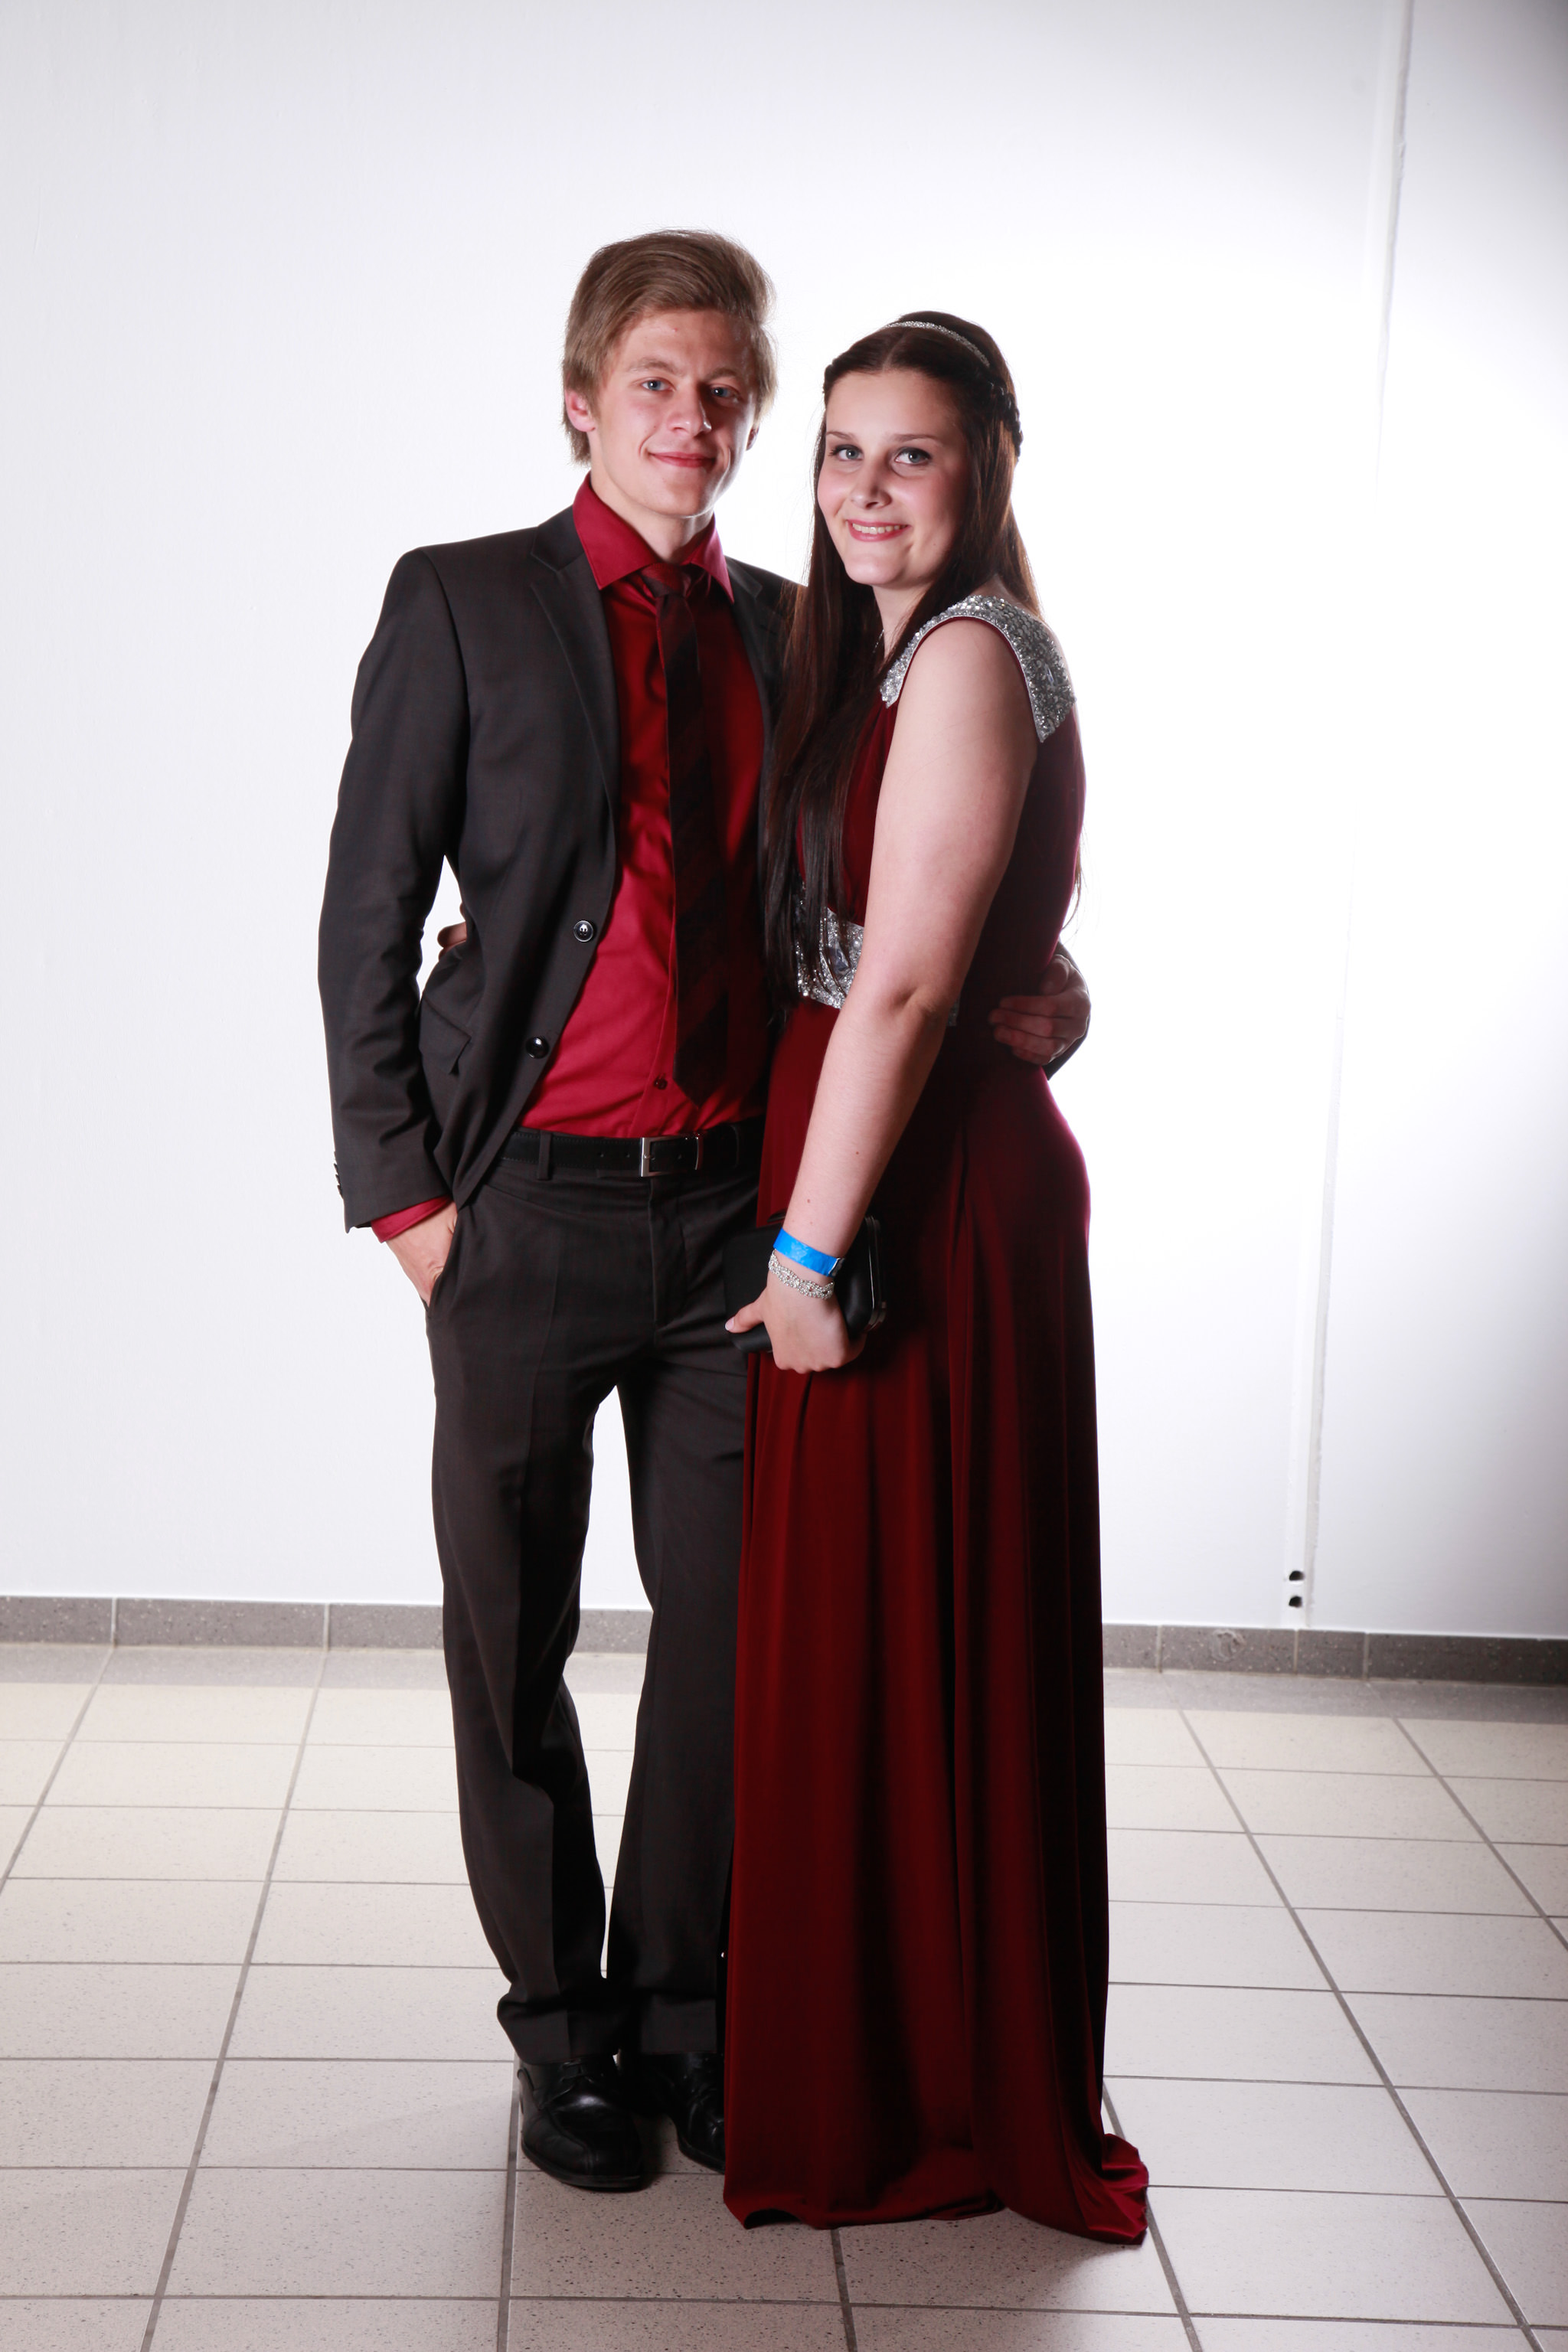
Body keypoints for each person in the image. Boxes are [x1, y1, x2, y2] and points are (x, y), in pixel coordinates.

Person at [318, 234, 1090, 2199]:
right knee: (511, 1642)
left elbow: (887, 898)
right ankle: (559, 2034)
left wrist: (1040, 983)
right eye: (656, 382)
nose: (693, 418)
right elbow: (363, 917)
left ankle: (682, 2015)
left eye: (725, 390)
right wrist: (406, 1200)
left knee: (734, 1635)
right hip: (514, 1215)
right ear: (582, 400)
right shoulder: (460, 602)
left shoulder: (795, 629)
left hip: (735, 1224)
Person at [724, 315, 1147, 2239]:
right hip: (878, 1154)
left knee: (908, 1629)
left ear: (989, 469)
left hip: (918, 1200)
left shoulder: (972, 652)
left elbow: (901, 986)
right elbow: (898, 937)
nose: (866, 488)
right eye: (841, 450)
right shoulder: (875, 654)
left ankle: (930, 2087)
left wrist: (812, 1252)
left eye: (912, 453)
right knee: (868, 1637)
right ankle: (884, 2048)